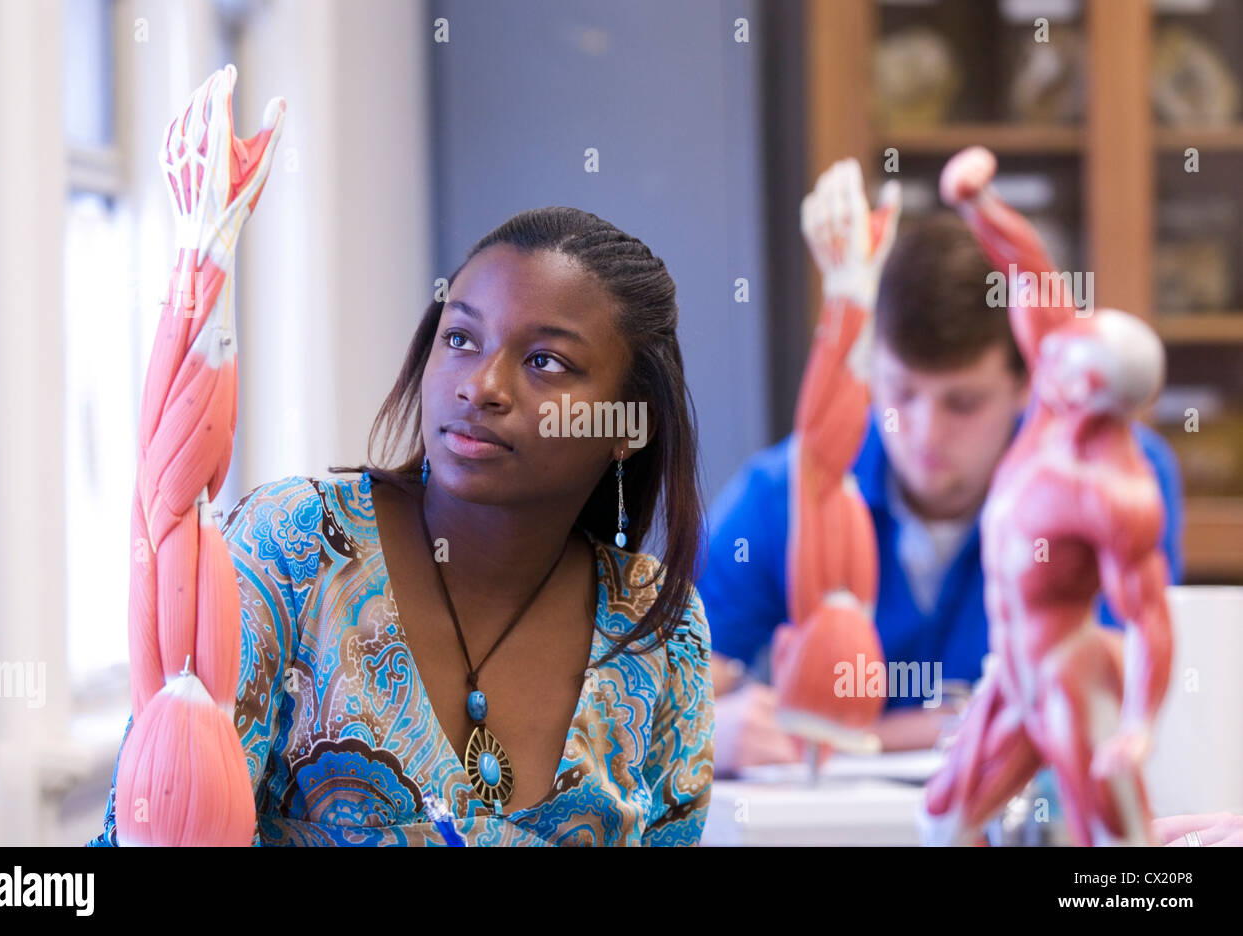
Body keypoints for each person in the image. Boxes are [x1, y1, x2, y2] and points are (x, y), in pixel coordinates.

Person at [89, 206, 714, 846]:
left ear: (628, 429)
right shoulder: (292, 548)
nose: (483, 386)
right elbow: (152, 831)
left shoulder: (659, 625)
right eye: (461, 339)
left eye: (546, 362)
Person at [701, 207, 1184, 778]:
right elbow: (683, 688)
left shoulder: (1103, 475)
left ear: (1029, 381)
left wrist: (849, 737)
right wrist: (708, 733)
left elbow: (1098, 699)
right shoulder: (781, 493)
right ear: (870, 367)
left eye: (963, 402)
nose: (924, 434)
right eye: (901, 392)